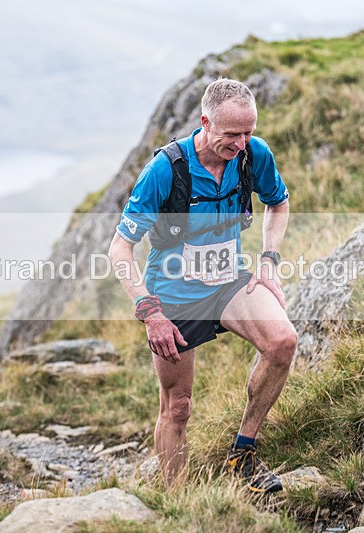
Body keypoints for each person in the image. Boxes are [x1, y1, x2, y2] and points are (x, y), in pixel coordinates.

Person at [108, 78, 296, 493]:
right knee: (178, 407)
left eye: (248, 132)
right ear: (205, 122)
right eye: (232, 134)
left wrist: (269, 259)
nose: (241, 142)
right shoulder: (164, 170)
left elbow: (278, 202)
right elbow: (120, 249)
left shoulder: (253, 155)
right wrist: (150, 312)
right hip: (174, 297)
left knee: (282, 341)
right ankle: (178, 503)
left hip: (228, 281)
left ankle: (242, 454)